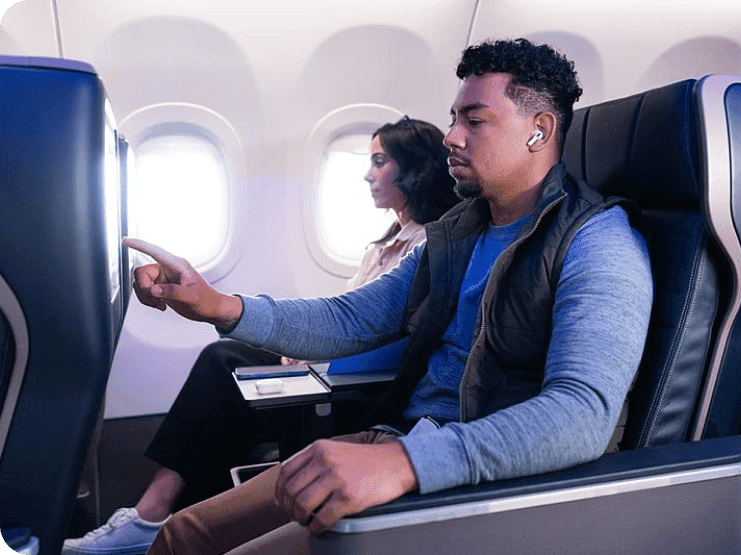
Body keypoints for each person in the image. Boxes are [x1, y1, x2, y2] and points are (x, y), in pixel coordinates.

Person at [129, 38, 653, 555]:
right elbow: (350, 319)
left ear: (539, 130)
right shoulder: (460, 231)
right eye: (454, 119)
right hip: (399, 441)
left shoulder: (597, 242)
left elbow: (580, 415)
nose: (452, 137)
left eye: (474, 121)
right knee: (182, 535)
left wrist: (406, 463)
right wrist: (218, 304)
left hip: (477, 482)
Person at [62, 117, 459, 555]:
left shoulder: (431, 244)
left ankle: (153, 514)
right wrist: (268, 331)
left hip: (355, 388)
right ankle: (160, 517)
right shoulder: (388, 245)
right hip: (333, 366)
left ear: (417, 170)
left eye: (380, 161)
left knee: (223, 363)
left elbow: (386, 341)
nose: (368, 174)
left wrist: (310, 357)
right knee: (226, 363)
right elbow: (349, 316)